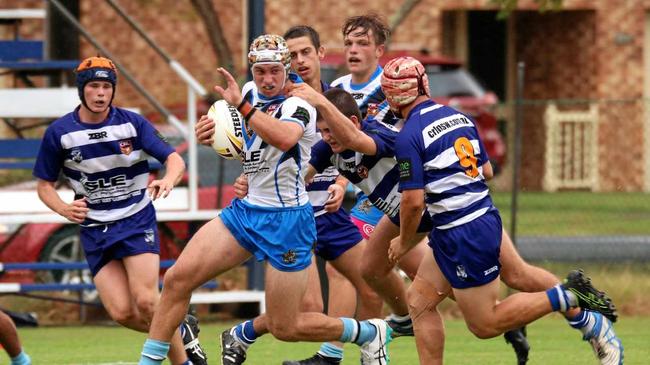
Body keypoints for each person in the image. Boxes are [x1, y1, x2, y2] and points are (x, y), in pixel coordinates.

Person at [137, 34, 392, 365]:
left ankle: (369, 333)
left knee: (287, 326)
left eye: (275, 71)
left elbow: (285, 138)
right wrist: (213, 137)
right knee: (175, 280)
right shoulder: (247, 93)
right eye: (260, 72)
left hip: (287, 221)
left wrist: (242, 108)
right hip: (244, 213)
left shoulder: (300, 102)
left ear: (286, 69)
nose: (268, 80)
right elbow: (250, 146)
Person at [381, 56, 622, 364]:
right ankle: (578, 309)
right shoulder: (459, 117)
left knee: (484, 324)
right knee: (419, 301)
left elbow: (413, 202)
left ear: (391, 95)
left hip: (462, 230)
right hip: (476, 217)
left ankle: (567, 296)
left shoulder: (408, 136)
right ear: (423, 84)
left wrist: (403, 241)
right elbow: (487, 171)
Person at [32, 56, 206, 365]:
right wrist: (63, 208)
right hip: (94, 229)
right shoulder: (59, 133)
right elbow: (44, 185)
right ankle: (181, 330)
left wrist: (167, 179)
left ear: (113, 90)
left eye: (106, 87)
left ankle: (185, 362)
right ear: (82, 90)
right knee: (122, 313)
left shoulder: (132, 123)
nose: (100, 93)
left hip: (135, 219)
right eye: (94, 86)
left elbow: (175, 159)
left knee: (147, 301)